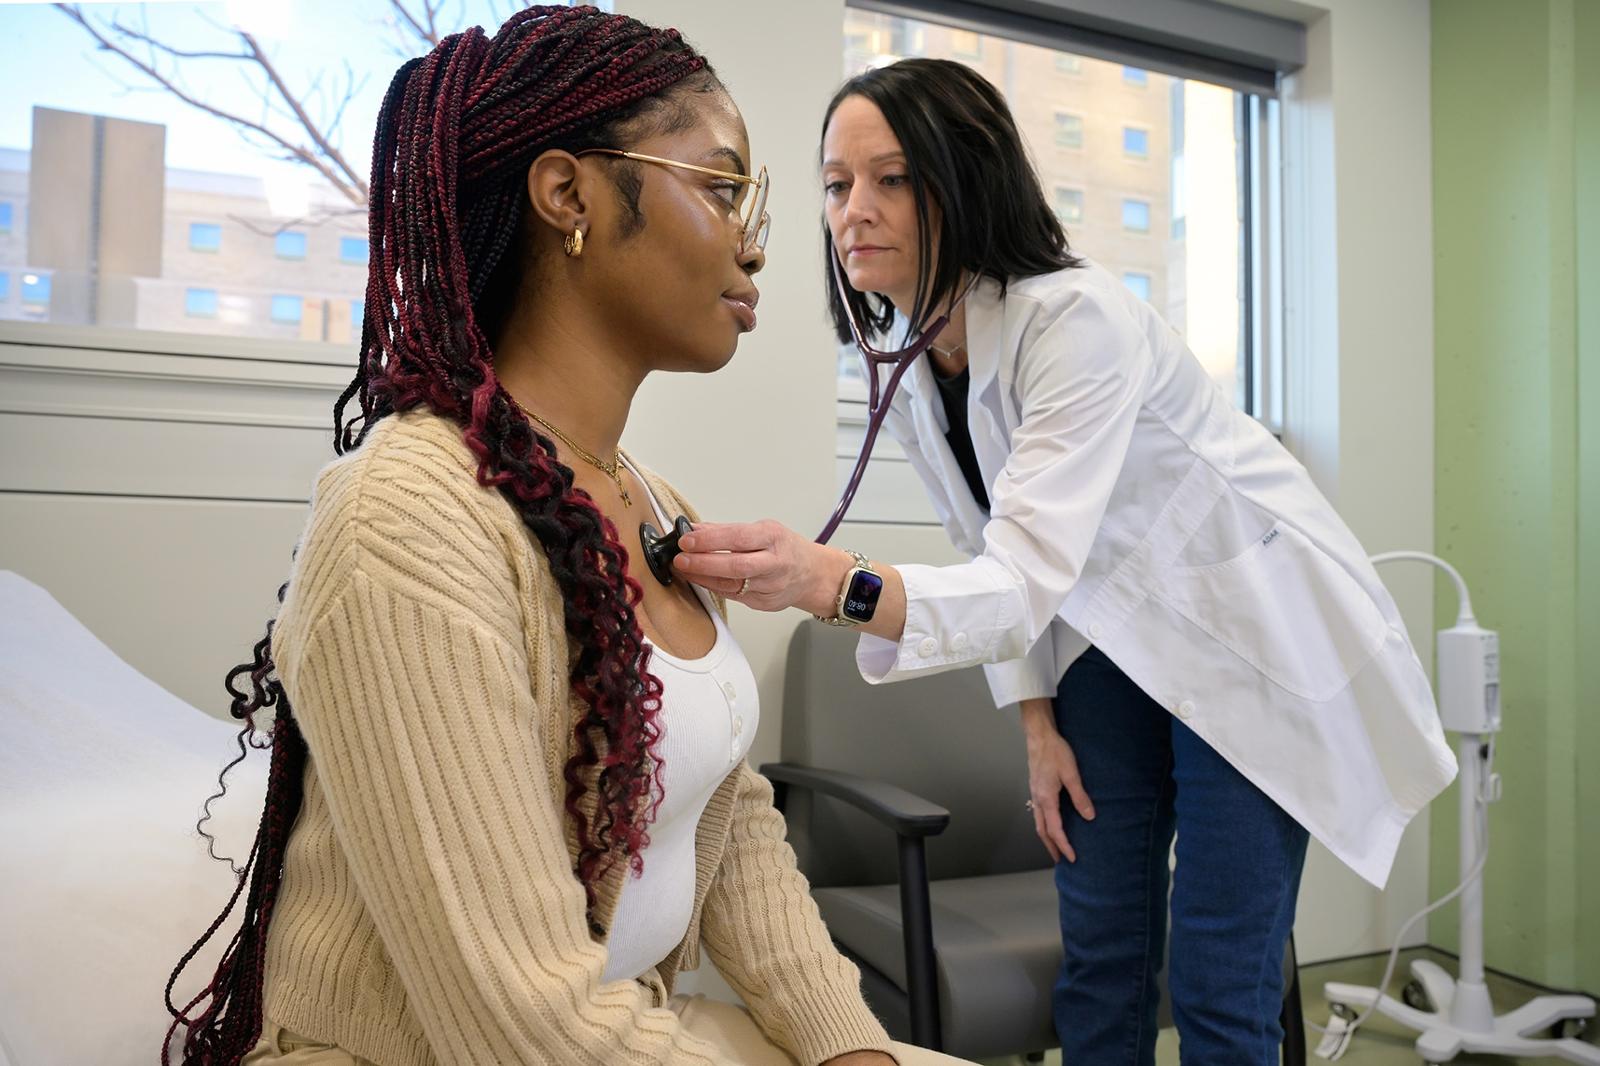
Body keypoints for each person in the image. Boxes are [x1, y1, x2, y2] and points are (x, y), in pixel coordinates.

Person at [164, 11, 970, 1066]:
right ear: (568, 195)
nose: (757, 241)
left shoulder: (645, 499)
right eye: (722, 189)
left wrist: (847, 1047)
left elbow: (728, 828)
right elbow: (520, 1019)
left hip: (615, 1025)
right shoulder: (407, 519)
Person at [671, 58, 1458, 1066]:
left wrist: (832, 582)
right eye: (835, 183)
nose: (852, 210)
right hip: (1104, 645)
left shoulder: (1072, 317)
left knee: (1220, 977)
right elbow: (986, 547)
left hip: (1245, 637)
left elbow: (1023, 571)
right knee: (1102, 960)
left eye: (892, 178)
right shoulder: (914, 362)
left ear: (965, 177)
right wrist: (1037, 728)